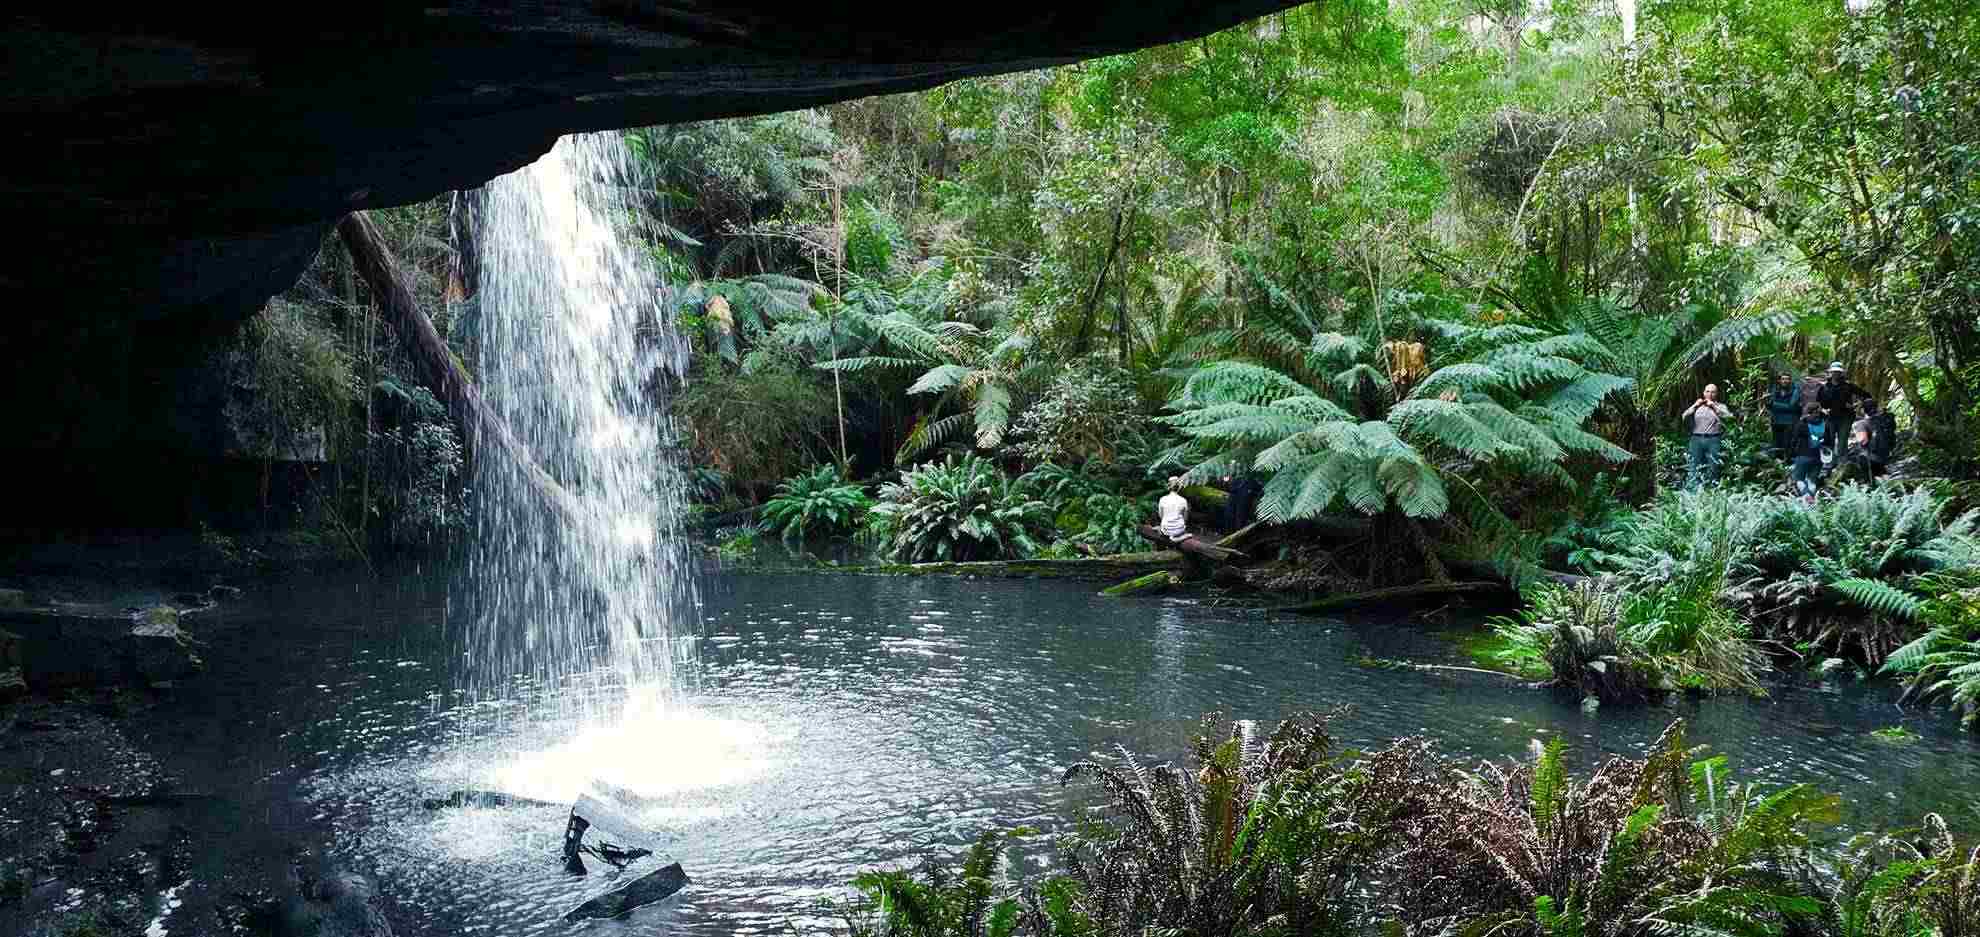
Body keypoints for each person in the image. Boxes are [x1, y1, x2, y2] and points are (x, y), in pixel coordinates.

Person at [1681, 383, 1735, 488]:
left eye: (1713, 392)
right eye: (1707, 391)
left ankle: (1712, 491)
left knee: (1713, 466)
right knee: (1694, 466)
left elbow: (1729, 417)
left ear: (1716, 394)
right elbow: (1684, 416)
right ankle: (1693, 492)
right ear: (1703, 393)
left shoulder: (1720, 406)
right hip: (1696, 439)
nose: (1710, 394)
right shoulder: (1697, 406)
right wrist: (1694, 405)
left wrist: (1714, 406)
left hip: (1713, 440)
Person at [1787, 401, 1833, 504]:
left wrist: (1790, 455)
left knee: (1798, 478)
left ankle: (1806, 496)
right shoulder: (1826, 423)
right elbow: (1830, 441)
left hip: (1803, 455)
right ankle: (1810, 501)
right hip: (1818, 457)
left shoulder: (1802, 423)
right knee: (1812, 480)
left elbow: (1793, 440)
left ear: (1808, 411)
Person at [1766, 372, 1803, 461]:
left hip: (1789, 421)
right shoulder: (1775, 389)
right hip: (1776, 420)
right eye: (1783, 379)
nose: (1785, 381)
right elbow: (1769, 404)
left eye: (1787, 379)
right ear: (1779, 380)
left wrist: (1774, 404)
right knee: (1776, 442)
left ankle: (1787, 460)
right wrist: (1770, 404)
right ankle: (1776, 461)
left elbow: (1792, 406)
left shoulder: (1795, 390)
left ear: (1790, 380)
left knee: (1788, 443)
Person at [1158, 476, 1192, 543]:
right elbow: (1185, 518)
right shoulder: (1183, 500)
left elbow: (1161, 516)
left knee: (1162, 528)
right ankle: (1180, 537)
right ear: (1179, 487)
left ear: (1169, 486)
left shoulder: (1162, 499)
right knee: (1183, 528)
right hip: (1179, 530)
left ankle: (1172, 537)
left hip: (1166, 530)